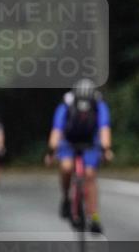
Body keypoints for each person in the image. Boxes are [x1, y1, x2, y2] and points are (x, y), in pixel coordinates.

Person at [45, 79, 114, 233]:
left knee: (90, 175)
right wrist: (51, 151)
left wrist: (106, 149)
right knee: (66, 167)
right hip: (68, 141)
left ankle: (94, 216)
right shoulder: (66, 105)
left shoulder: (99, 105)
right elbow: (57, 130)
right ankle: (66, 197)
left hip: (90, 142)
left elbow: (104, 129)